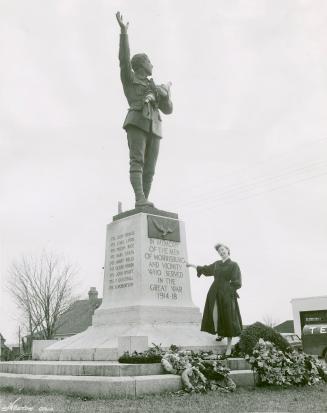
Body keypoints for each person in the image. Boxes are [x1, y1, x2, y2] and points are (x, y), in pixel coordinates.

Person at [115, 12, 173, 208]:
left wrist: (165, 93)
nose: (152, 64)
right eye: (149, 61)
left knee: (150, 169)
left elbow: (168, 110)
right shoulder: (130, 79)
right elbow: (124, 59)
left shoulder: (154, 87)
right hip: (137, 120)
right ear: (141, 64)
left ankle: (144, 202)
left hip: (155, 126)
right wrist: (124, 33)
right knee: (137, 161)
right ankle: (140, 199)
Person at [187, 243, 242, 356]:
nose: (221, 252)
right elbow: (206, 269)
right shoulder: (217, 264)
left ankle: (229, 346)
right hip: (214, 292)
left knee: (228, 317)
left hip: (227, 293)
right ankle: (220, 333)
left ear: (227, 250)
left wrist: (229, 290)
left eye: (223, 250)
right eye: (219, 251)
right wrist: (192, 265)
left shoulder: (234, 265)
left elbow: (237, 282)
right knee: (215, 313)